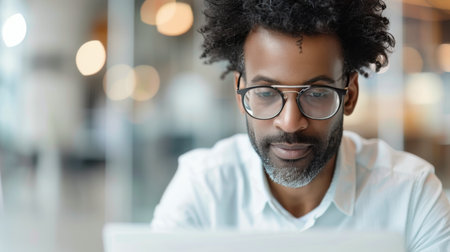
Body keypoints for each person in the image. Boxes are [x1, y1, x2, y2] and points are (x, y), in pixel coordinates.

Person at [151, 0, 450, 250]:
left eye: (317, 93)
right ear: (240, 93)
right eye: (266, 93)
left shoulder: (410, 195)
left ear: (350, 96)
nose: (290, 123)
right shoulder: (203, 189)